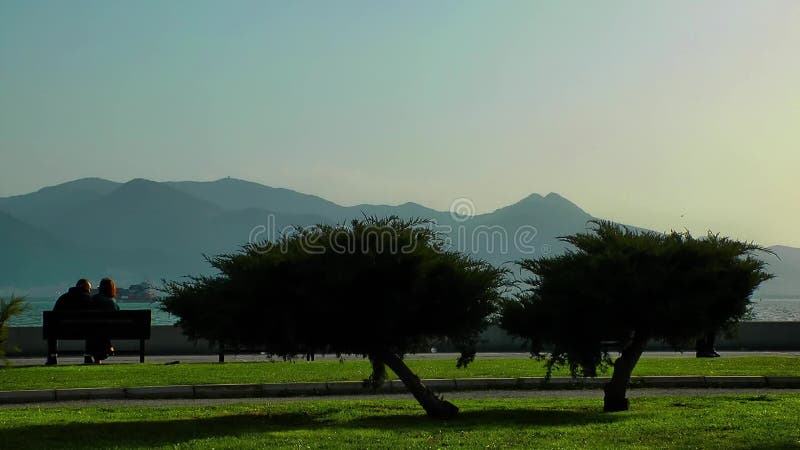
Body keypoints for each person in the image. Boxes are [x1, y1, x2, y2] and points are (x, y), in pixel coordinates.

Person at [48, 279, 93, 365]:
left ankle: (52, 357)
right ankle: (88, 356)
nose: (90, 291)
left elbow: (52, 319)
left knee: (52, 327)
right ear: (86, 288)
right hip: (85, 332)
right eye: (89, 288)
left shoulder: (63, 298)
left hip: (61, 331)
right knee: (92, 328)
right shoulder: (89, 299)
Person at [87, 277, 120, 364]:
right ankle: (107, 347)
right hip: (112, 331)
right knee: (103, 330)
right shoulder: (113, 302)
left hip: (94, 330)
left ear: (100, 288)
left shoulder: (93, 299)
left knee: (96, 329)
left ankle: (98, 357)